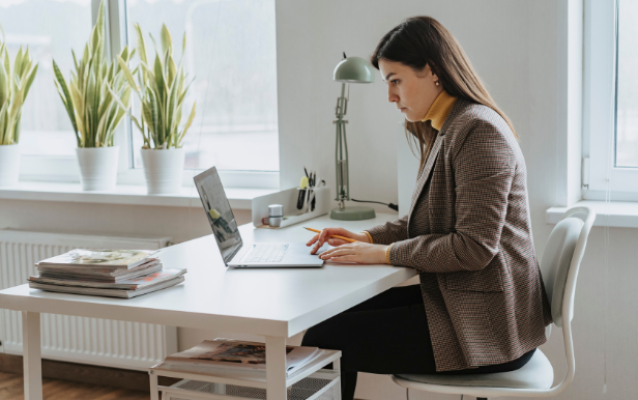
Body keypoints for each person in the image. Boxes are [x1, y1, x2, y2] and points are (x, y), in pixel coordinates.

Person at [304, 16, 552, 400]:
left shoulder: (478, 131)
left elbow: (473, 247)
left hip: (491, 325)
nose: (389, 96)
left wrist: (383, 253)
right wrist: (367, 238)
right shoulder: (446, 127)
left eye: (395, 80)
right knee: (327, 323)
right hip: (466, 301)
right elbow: (426, 222)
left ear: (433, 72)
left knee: (323, 339)